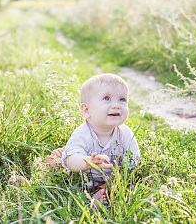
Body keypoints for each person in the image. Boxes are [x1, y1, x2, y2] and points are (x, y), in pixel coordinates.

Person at [60, 73, 141, 206]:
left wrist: (118, 179)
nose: (116, 105)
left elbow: (133, 163)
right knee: (62, 157)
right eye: (107, 98)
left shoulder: (125, 134)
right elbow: (70, 159)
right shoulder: (82, 134)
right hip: (86, 181)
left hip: (115, 178)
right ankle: (94, 195)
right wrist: (89, 162)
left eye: (122, 99)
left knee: (122, 186)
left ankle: (103, 191)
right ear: (86, 110)